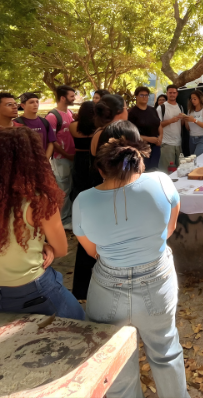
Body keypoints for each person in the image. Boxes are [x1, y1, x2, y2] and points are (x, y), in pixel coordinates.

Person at [74, 121, 187, 398]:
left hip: (107, 285)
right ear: (139, 162)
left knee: (117, 362)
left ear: (101, 169)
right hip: (157, 281)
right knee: (166, 351)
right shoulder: (161, 181)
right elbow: (170, 227)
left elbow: (92, 251)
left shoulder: (83, 201)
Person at [0, 128, 84, 320]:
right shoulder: (38, 200)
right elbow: (61, 250)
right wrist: (47, 246)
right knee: (80, 325)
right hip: (33, 291)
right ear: (33, 158)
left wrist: (42, 245)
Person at [71, 94, 128, 299]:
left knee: (93, 237)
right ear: (120, 112)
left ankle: (85, 288)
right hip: (108, 189)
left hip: (95, 187)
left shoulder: (98, 132)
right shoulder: (115, 134)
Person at [46, 85, 76, 228]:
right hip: (61, 158)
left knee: (69, 187)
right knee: (63, 189)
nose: (74, 98)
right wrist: (66, 154)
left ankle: (68, 217)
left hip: (71, 157)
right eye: (72, 96)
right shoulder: (52, 116)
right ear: (63, 98)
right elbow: (52, 140)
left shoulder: (69, 113)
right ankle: (63, 221)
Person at [68, 100, 98, 202]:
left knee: (79, 184)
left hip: (79, 157)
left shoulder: (73, 126)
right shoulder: (98, 127)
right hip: (94, 157)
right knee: (94, 183)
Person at [128, 86, 162, 170]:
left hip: (155, 147)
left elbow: (159, 124)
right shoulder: (131, 113)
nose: (144, 97)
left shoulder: (153, 110)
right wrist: (148, 139)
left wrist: (160, 137)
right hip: (140, 148)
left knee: (154, 169)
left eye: (146, 95)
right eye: (142, 95)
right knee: (143, 171)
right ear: (136, 96)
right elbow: (131, 134)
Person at [16, 93, 56, 158]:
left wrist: (45, 160)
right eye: (31, 102)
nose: (35, 104)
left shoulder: (44, 122)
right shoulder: (16, 123)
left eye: (37, 102)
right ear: (23, 106)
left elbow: (50, 143)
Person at [157, 85, 183, 170]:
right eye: (170, 93)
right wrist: (170, 121)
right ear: (166, 93)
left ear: (177, 94)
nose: (172, 94)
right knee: (167, 172)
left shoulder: (180, 107)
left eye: (174, 93)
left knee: (180, 171)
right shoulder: (161, 108)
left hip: (178, 144)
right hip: (166, 144)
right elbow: (157, 125)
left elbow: (181, 124)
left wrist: (184, 118)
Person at [182, 89, 203, 157]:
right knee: (193, 160)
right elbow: (189, 128)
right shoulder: (190, 111)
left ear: (200, 99)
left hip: (202, 138)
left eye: (195, 99)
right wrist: (186, 120)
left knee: (197, 157)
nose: (192, 101)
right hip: (192, 138)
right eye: (191, 99)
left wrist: (194, 120)